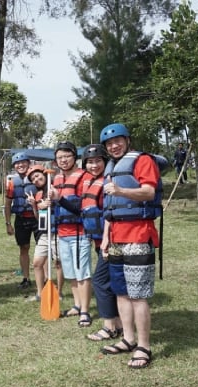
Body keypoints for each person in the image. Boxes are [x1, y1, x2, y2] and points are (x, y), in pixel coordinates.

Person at [99, 123, 161, 369]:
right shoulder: (111, 168)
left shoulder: (142, 161)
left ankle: (143, 346)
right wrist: (106, 237)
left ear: (127, 140)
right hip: (116, 237)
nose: (114, 146)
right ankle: (128, 338)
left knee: (138, 295)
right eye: (109, 144)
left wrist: (121, 190)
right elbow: (109, 209)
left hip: (138, 235)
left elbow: (148, 192)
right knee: (121, 292)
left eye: (118, 141)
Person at [49, 141, 94, 327]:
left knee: (82, 273)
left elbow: (82, 207)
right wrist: (48, 203)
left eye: (67, 156)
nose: (63, 160)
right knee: (70, 273)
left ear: (75, 157)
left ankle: (85, 311)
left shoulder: (84, 177)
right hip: (62, 233)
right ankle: (77, 305)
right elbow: (56, 204)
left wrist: (59, 199)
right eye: (60, 157)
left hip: (79, 232)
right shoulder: (57, 178)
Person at [80, 144, 123, 341]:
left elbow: (109, 214)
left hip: (110, 241)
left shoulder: (108, 183)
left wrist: (106, 240)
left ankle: (109, 327)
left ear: (105, 162)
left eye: (98, 161)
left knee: (100, 281)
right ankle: (119, 324)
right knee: (111, 282)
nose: (94, 165)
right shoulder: (90, 182)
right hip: (99, 242)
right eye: (90, 162)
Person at [24, 165, 64, 302]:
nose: (36, 179)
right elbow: (38, 218)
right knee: (37, 263)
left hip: (57, 231)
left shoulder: (55, 188)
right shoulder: (38, 194)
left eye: (37, 176)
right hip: (44, 233)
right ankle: (40, 293)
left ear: (44, 174)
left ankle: (59, 293)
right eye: (33, 179)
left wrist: (52, 202)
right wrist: (34, 206)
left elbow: (64, 204)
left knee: (58, 263)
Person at [4, 152, 38, 292]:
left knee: (43, 249)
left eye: (23, 162)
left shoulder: (36, 178)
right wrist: (8, 223)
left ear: (28, 163)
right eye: (17, 163)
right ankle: (26, 278)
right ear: (14, 166)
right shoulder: (12, 183)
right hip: (21, 218)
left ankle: (44, 278)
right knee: (24, 248)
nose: (20, 165)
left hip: (37, 218)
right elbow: (7, 204)